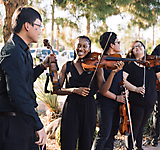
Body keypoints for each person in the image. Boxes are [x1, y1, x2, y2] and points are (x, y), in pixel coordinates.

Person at [57, 35, 123, 150]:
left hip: (89, 106)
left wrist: (113, 73)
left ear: (89, 48)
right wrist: (74, 90)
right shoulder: (66, 66)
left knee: (86, 142)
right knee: (68, 141)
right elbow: (56, 89)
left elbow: (103, 90)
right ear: (74, 47)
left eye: (85, 46)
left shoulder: (96, 66)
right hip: (71, 106)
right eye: (79, 45)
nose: (81, 49)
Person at [0, 6, 47, 150]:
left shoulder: (22, 50)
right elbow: (18, 95)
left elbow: (24, 80)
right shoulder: (12, 52)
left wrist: (42, 67)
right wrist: (38, 126)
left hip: (22, 120)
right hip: (13, 124)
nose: (40, 31)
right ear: (27, 26)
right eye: (39, 26)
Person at [123, 40, 160, 150]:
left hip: (150, 101)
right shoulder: (129, 65)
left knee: (141, 126)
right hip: (136, 102)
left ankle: (138, 147)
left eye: (140, 46)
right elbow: (123, 80)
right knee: (135, 127)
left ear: (144, 49)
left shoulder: (152, 64)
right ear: (132, 52)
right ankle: (130, 147)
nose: (138, 48)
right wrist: (135, 88)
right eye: (134, 47)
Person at [92, 32, 126, 150]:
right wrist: (117, 97)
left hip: (117, 102)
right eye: (118, 42)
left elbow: (120, 81)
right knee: (104, 134)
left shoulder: (118, 59)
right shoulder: (101, 61)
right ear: (111, 45)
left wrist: (124, 91)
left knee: (112, 134)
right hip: (106, 103)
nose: (119, 44)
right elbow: (102, 89)